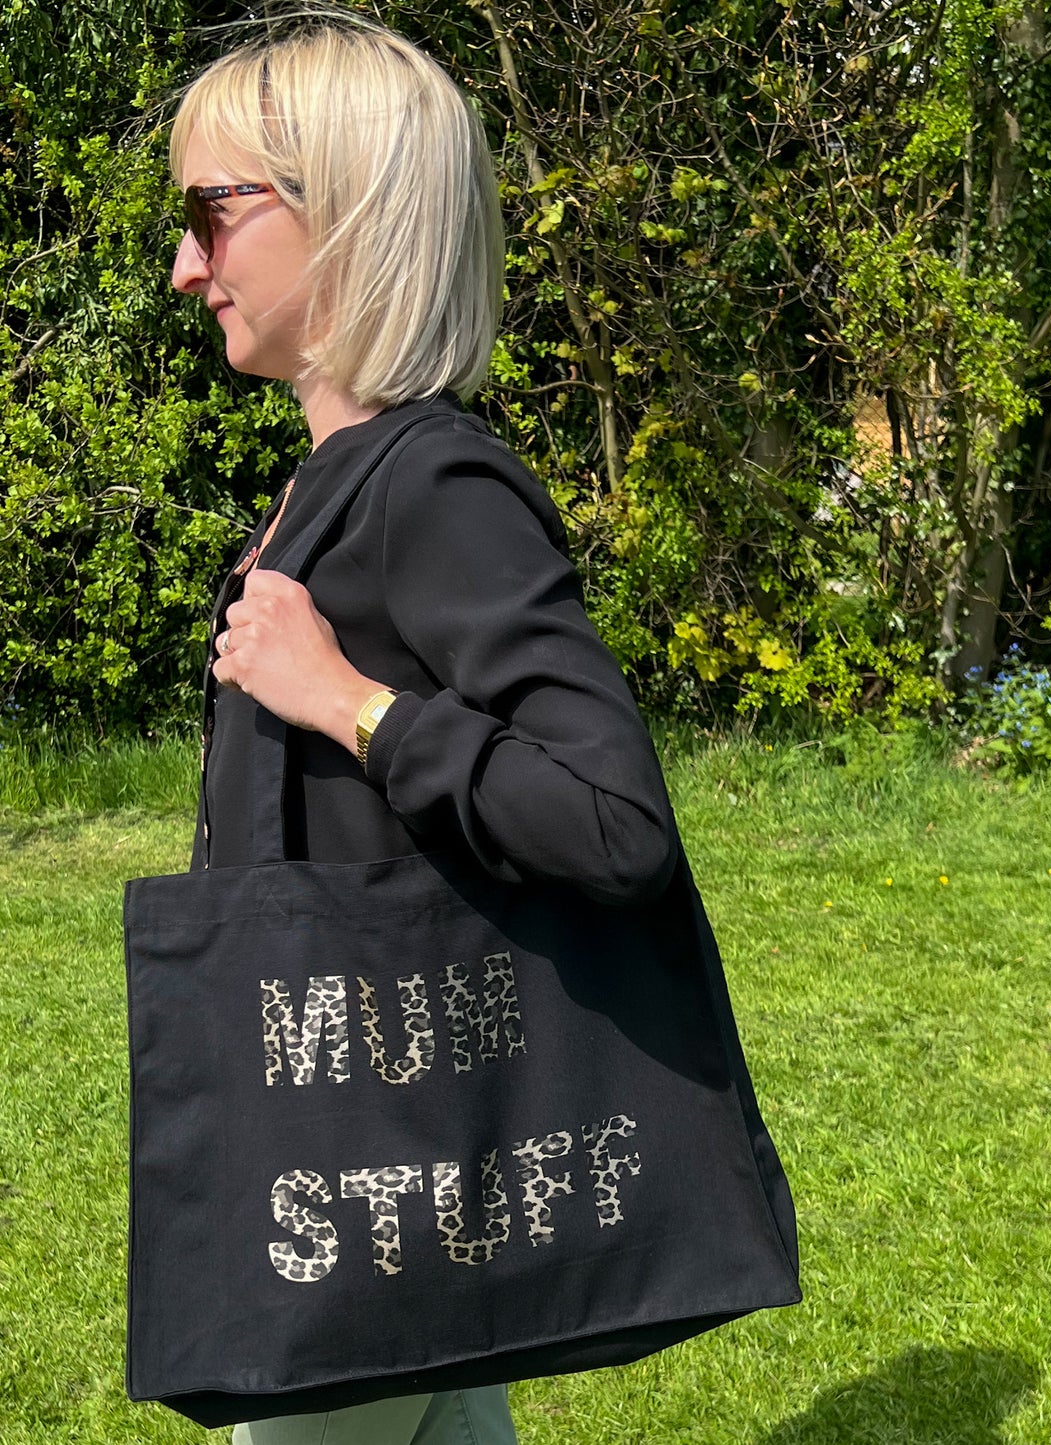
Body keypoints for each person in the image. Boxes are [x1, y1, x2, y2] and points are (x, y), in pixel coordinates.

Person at [169, 12, 680, 1443]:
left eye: (212, 212)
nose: (185, 263)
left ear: (349, 215)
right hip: (384, 1127)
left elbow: (615, 821)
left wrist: (353, 703)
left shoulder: (431, 483)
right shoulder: (339, 482)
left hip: (372, 1150)